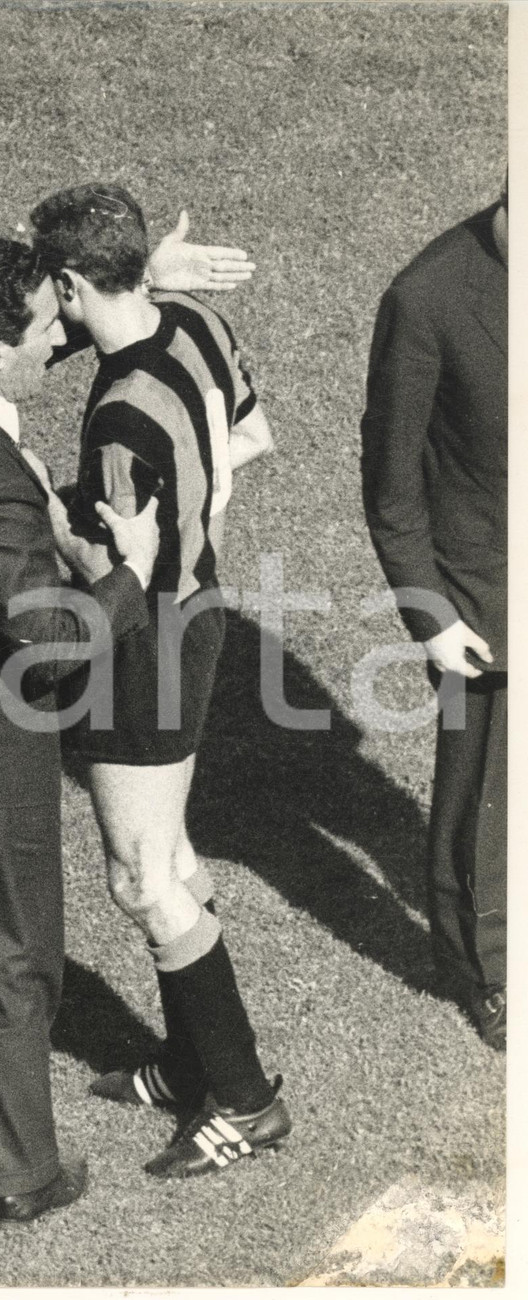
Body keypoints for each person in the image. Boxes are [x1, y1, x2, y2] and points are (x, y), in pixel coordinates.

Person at [0, 226, 251, 1220]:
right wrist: (132, 568)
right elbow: (54, 641)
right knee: (14, 961)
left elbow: (31, 319)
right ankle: (23, 1176)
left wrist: (129, 275)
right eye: (44, 325)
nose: (58, 337)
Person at [26, 183, 287, 1180]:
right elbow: (253, 438)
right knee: (168, 855)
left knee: (140, 876)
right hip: (201, 614)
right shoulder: (199, 321)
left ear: (65, 279)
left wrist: (54, 515)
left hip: (145, 642)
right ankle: (189, 1064)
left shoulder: (121, 418)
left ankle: (245, 1098)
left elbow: (110, 570)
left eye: (47, 291)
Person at [360, 185, 507, 1050]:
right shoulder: (427, 298)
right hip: (482, 599)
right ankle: (488, 973)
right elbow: (391, 483)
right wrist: (430, 615)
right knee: (482, 804)